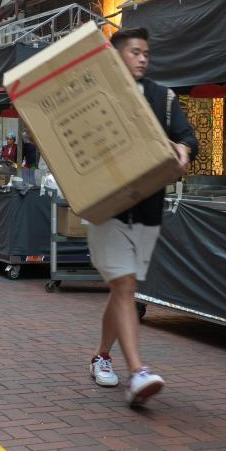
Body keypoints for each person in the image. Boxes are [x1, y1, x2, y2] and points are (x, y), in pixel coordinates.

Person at [88, 27, 197, 407]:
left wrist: (182, 149)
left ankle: (102, 355)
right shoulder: (96, 98)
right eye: (134, 52)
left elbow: (188, 137)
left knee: (123, 291)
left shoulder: (162, 97)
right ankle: (137, 372)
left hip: (149, 209)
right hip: (108, 209)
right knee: (126, 289)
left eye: (146, 53)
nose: (142, 58)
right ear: (116, 56)